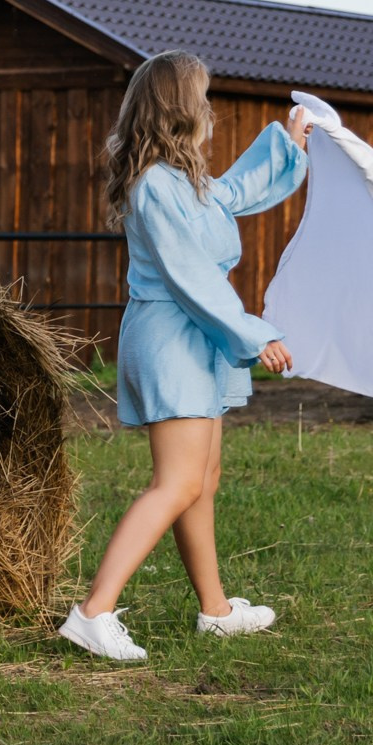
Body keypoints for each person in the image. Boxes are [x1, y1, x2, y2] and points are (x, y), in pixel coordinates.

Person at [59, 51, 310, 661]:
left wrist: (289, 144)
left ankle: (216, 611)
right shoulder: (155, 188)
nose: (210, 110)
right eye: (203, 99)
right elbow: (191, 277)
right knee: (175, 483)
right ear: (181, 111)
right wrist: (254, 332)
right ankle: (93, 613)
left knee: (202, 481)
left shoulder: (185, 182)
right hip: (173, 337)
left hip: (194, 337)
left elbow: (235, 193)